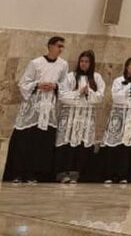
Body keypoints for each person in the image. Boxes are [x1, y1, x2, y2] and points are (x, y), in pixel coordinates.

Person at [3, 35, 67, 183]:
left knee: (42, 144)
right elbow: (23, 83)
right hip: (33, 106)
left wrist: (55, 86)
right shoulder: (36, 63)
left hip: (48, 108)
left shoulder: (63, 65)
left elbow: (64, 85)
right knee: (25, 141)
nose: (61, 49)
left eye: (62, 47)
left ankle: (35, 174)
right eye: (58, 46)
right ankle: (18, 173)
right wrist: (37, 85)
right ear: (50, 46)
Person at [97, 56, 131, 183]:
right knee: (113, 144)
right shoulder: (118, 81)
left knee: (128, 145)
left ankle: (124, 175)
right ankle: (109, 174)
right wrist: (130, 87)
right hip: (118, 116)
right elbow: (116, 97)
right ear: (127, 67)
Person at [54, 49, 105, 183]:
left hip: (85, 118)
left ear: (91, 63)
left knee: (82, 145)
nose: (83, 64)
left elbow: (100, 97)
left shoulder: (96, 78)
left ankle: (76, 174)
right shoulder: (70, 76)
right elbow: (62, 96)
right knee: (67, 144)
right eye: (82, 61)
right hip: (70, 117)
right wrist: (78, 93)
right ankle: (62, 173)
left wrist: (89, 93)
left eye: (87, 61)